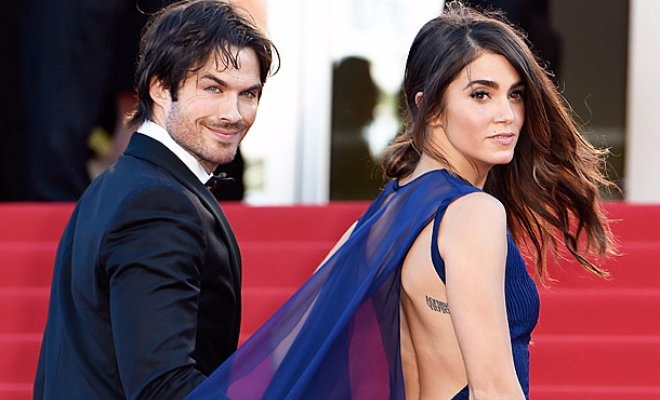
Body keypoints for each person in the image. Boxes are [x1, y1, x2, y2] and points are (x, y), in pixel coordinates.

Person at [185, 2, 617, 399]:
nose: (506, 114)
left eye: (516, 94)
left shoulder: (389, 208)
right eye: (481, 94)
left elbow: (294, 343)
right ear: (430, 108)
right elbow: (494, 391)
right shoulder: (474, 213)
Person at [33, 0, 278, 398]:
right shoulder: (159, 203)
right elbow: (163, 386)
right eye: (213, 88)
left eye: (248, 94)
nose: (233, 113)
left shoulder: (118, 184)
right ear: (161, 88)